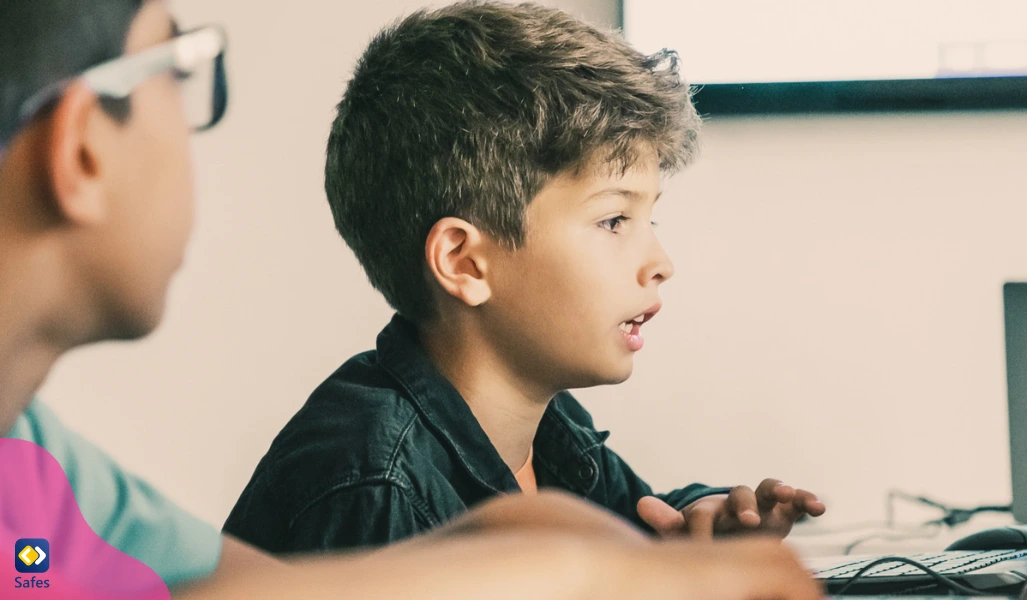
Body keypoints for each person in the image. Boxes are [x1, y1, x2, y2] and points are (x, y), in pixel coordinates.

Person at [0, 1, 822, 598]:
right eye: (178, 78)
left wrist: (664, 540)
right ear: (81, 151)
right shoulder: (372, 480)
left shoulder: (42, 469)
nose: (659, 261)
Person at [224, 1, 825, 555]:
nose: (660, 262)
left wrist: (696, 526)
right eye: (615, 219)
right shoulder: (374, 484)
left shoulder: (549, 427)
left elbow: (632, 533)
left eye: (650, 216)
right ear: (464, 262)